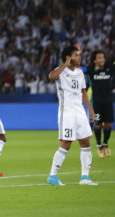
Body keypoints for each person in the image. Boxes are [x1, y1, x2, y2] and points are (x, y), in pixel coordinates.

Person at [47, 46, 97, 186]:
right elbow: (51, 77)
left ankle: (85, 177)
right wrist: (65, 64)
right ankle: (52, 176)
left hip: (79, 111)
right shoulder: (61, 71)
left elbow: (83, 93)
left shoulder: (80, 73)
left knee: (85, 141)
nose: (79, 57)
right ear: (69, 57)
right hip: (66, 112)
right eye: (76, 55)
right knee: (66, 144)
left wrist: (91, 110)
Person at [86, 50, 114, 158]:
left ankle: (105, 144)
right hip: (96, 102)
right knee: (97, 125)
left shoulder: (110, 68)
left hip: (108, 101)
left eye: (103, 57)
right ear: (94, 60)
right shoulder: (90, 71)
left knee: (108, 124)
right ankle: (99, 146)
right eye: (99, 58)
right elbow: (80, 68)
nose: (102, 59)